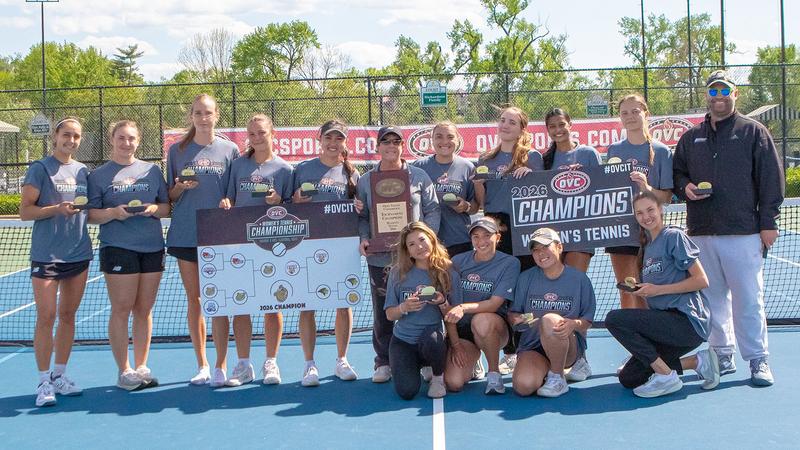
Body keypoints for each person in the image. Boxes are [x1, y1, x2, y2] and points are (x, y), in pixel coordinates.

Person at [673, 70, 784, 386]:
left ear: (735, 94)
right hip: (702, 233)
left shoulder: (754, 132)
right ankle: (722, 353)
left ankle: (758, 359)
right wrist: (686, 188)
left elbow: (770, 181)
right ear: (707, 96)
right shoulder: (690, 137)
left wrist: (768, 223)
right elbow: (677, 174)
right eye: (713, 90)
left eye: (724, 90)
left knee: (749, 298)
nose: (718, 96)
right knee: (712, 299)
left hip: (743, 231)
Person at [606, 190, 720, 397]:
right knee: (629, 377)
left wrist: (658, 290)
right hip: (666, 326)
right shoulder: (647, 248)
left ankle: (666, 376)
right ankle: (699, 362)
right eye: (639, 213)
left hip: (687, 322)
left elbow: (701, 280)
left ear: (660, 210)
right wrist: (641, 290)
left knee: (614, 319)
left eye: (650, 210)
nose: (646, 216)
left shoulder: (673, 236)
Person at [86, 121, 170, 391]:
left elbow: (166, 207)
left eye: (131, 138)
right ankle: (124, 371)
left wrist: (154, 208)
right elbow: (91, 214)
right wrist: (113, 213)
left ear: (138, 140)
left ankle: (141, 366)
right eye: (121, 138)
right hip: (117, 247)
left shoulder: (152, 171)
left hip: (152, 247)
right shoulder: (98, 176)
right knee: (122, 308)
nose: (126, 143)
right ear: (112, 139)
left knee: (144, 309)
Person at [166, 94, 239, 385]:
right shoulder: (177, 150)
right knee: (194, 299)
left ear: (216, 115)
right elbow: (169, 196)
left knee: (220, 301)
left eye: (207, 112)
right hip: (186, 232)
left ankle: (221, 365)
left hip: (220, 235)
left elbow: (233, 193)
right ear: (191, 116)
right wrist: (180, 188)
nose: (203, 117)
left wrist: (227, 201)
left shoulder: (230, 149)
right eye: (197, 112)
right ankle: (202, 364)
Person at [357, 125, 440, 383]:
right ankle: (383, 361)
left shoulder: (419, 176)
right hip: (381, 257)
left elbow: (433, 209)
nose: (391, 146)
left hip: (419, 258)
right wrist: (363, 238)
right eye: (385, 142)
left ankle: (426, 358)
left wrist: (428, 242)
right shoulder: (365, 180)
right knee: (384, 311)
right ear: (378, 147)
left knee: (422, 304)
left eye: (396, 141)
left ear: (402, 145)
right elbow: (361, 216)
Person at [216, 114, 293, 387]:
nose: (257, 138)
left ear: (273, 134)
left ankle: (271, 362)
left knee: (273, 305)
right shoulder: (237, 166)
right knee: (242, 304)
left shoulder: (285, 170)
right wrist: (227, 202)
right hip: (240, 245)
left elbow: (292, 210)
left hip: (272, 246)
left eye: (261, 133)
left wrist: (278, 200)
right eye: (252, 134)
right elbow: (230, 198)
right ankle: (244, 364)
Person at [20, 117, 92, 407]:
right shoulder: (39, 169)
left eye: (76, 136)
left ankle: (59, 375)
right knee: (46, 317)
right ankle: (43, 381)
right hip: (46, 255)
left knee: (67, 316)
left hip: (78, 252)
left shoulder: (84, 172)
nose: (70, 140)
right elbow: (26, 212)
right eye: (66, 135)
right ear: (55, 136)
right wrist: (56, 209)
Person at [473, 106, 544, 375]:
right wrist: (479, 183)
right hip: (495, 228)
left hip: (524, 228)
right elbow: (481, 202)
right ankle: (508, 352)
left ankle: (526, 347)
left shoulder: (533, 157)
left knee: (524, 290)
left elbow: (542, 194)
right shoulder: (485, 158)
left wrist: (530, 175)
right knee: (500, 290)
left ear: (522, 129)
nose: (505, 125)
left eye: (512, 122)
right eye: (502, 120)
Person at [290, 119, 361, 386]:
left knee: (343, 303)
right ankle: (309, 364)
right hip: (306, 246)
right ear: (319, 139)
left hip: (343, 248)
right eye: (329, 138)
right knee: (307, 304)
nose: (333, 144)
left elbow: (360, 211)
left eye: (338, 139)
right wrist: (295, 201)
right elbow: (286, 208)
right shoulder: (302, 169)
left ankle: (342, 359)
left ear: (345, 142)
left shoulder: (352, 174)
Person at [509, 227, 595, 398]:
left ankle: (557, 378)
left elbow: (587, 320)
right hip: (533, 346)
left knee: (550, 320)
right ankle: (546, 369)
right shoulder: (525, 278)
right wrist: (518, 320)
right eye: (536, 250)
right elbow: (513, 313)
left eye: (545, 247)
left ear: (559, 247)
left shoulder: (580, 280)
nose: (541, 254)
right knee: (523, 386)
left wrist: (573, 324)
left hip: (567, 345)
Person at [606, 94, 674, 310]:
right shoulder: (613, 151)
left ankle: (651, 339)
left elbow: (667, 198)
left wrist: (646, 188)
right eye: (625, 113)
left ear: (646, 114)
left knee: (648, 291)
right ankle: (632, 340)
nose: (630, 117)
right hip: (621, 230)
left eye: (635, 111)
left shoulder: (661, 151)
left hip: (650, 232)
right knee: (627, 290)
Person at [384, 222, 462, 399]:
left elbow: (454, 314)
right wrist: (404, 307)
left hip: (431, 339)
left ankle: (437, 377)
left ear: (432, 240)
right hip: (403, 341)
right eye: (411, 244)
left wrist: (442, 302)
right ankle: (417, 364)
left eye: (422, 240)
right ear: (407, 250)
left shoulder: (448, 271)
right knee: (407, 392)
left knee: (433, 339)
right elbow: (389, 315)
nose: (419, 247)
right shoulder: (397, 273)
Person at [444, 217, 520, 395]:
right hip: (464, 330)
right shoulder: (457, 261)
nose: (481, 241)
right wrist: (455, 345)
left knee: (482, 320)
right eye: (476, 236)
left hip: (494, 327)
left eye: (487, 235)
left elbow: (494, 304)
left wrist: (463, 308)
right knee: (453, 382)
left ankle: (494, 374)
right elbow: (449, 307)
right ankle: (474, 361)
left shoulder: (510, 263)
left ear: (498, 237)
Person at [541, 108, 602, 273]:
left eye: (562, 124)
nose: (558, 130)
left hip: (581, 234)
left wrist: (585, 176)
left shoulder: (588, 154)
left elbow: (602, 192)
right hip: (552, 234)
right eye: (552, 126)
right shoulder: (544, 160)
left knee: (573, 282)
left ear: (571, 125)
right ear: (548, 130)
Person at [411, 121, 477, 257]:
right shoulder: (418, 167)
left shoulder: (468, 167)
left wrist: (465, 206)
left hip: (459, 240)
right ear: (432, 140)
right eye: (439, 137)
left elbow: (475, 207)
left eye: (450, 137)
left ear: (458, 140)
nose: (445, 141)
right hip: (425, 242)